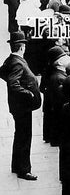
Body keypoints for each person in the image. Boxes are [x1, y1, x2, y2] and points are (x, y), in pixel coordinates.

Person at [0, 31, 40, 180]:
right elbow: (13, 83)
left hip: (17, 106)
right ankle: (24, 170)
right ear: (22, 47)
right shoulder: (18, 62)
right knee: (25, 137)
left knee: (20, 135)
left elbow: (2, 72)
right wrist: (27, 92)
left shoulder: (11, 60)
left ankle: (16, 165)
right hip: (23, 107)